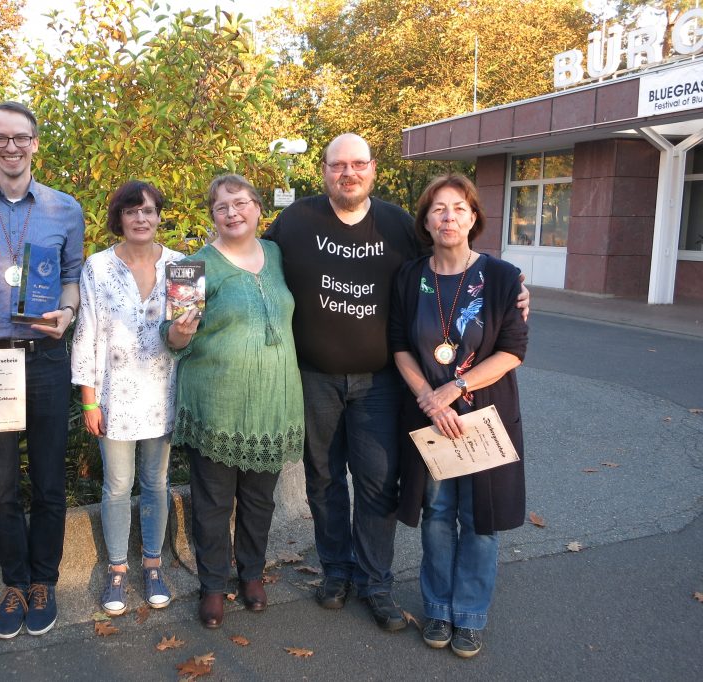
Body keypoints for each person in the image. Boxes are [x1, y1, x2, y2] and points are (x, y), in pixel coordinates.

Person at [263, 133, 529, 631]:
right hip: (314, 378)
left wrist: (511, 288)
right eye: (337, 164)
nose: (348, 172)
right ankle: (336, 571)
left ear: (373, 168)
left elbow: (453, 259)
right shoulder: (296, 220)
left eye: (358, 163)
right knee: (323, 480)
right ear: (323, 171)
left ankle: (375, 582)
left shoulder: (397, 224)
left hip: (382, 382)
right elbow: (253, 263)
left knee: (378, 483)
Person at [0, 101, 85, 639]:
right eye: (0, 138)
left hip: (46, 357)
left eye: (20, 137)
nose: (11, 146)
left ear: (34, 143)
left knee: (50, 480)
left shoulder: (64, 209)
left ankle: (43, 580)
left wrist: (68, 314)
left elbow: (71, 275)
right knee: (1, 483)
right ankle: (13, 581)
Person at [389, 174, 527, 658]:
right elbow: (400, 346)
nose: (449, 217)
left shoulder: (503, 277)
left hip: (483, 418)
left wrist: (454, 388)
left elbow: (512, 351)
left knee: (480, 519)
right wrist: (429, 397)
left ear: (473, 217)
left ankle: (469, 616)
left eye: (459, 208)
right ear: (425, 220)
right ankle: (438, 609)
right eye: (438, 209)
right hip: (434, 421)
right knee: (438, 515)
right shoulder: (410, 277)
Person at [163, 174, 304, 629]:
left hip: (271, 403)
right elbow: (173, 340)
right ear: (212, 216)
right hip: (217, 404)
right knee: (213, 502)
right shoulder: (192, 267)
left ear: (259, 208)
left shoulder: (278, 255)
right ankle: (213, 585)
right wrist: (180, 331)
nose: (233, 213)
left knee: (260, 500)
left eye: (241, 203)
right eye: (222, 207)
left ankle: (252, 574)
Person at [71, 180, 183, 616]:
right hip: (114, 399)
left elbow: (182, 339)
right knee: (117, 485)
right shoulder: (97, 268)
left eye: (150, 211)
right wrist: (88, 400)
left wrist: (186, 330)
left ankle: (153, 565)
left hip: (163, 394)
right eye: (132, 211)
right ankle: (118, 569)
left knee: (156, 483)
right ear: (119, 218)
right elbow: (86, 335)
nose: (141, 218)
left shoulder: (181, 266)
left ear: (159, 217)